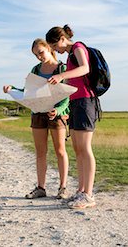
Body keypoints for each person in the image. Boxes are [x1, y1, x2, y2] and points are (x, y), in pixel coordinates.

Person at [3, 38, 70, 200]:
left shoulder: (62, 68)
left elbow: (67, 96)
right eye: (35, 55)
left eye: (40, 52)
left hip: (56, 115)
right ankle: (41, 188)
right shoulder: (35, 69)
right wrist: (12, 89)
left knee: (60, 151)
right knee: (40, 153)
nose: (39, 57)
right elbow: (28, 92)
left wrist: (58, 110)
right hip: (37, 114)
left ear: (49, 48)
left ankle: (63, 188)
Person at [46, 25, 98, 209]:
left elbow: (84, 68)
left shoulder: (77, 47)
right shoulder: (69, 56)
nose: (57, 52)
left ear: (61, 39)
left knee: (85, 148)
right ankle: (81, 191)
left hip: (85, 101)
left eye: (55, 47)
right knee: (77, 149)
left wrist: (61, 76)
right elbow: (72, 79)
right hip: (75, 102)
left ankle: (89, 195)